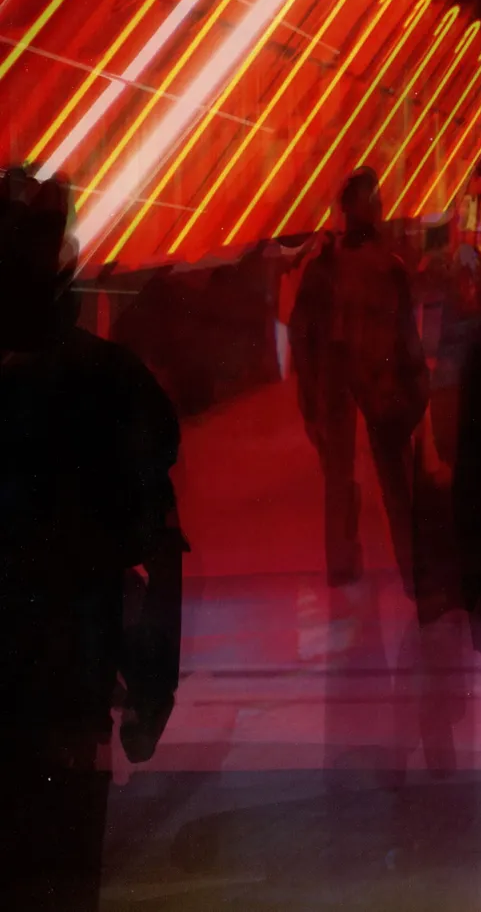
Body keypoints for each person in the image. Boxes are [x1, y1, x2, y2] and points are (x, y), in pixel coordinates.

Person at [0, 168, 183, 912]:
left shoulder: (105, 382)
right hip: (68, 689)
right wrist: (153, 687)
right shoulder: (109, 382)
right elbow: (158, 546)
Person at [289, 167, 428, 593]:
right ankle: (410, 571)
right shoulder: (386, 267)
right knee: (392, 483)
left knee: (345, 478)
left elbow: (301, 332)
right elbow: (406, 334)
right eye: (374, 199)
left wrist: (309, 393)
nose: (378, 207)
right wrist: (415, 385)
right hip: (379, 384)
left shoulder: (328, 267)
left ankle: (349, 564)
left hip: (348, 382)